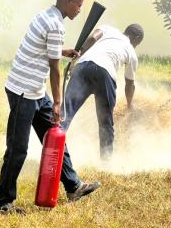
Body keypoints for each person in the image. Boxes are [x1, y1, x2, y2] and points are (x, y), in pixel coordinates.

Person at [0, 0, 101, 214]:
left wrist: (64, 51)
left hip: (35, 91)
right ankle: (3, 201)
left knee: (55, 138)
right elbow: (55, 69)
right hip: (23, 91)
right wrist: (58, 102)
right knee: (17, 148)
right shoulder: (55, 25)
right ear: (67, 2)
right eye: (78, 5)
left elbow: (46, 48)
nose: (80, 10)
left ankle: (74, 187)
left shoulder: (48, 16)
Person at [62, 23, 144, 160]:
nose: (136, 46)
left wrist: (74, 60)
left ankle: (52, 150)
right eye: (138, 43)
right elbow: (129, 84)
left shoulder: (109, 28)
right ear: (136, 38)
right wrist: (130, 104)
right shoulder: (131, 51)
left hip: (83, 66)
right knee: (105, 122)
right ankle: (106, 162)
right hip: (105, 73)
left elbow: (92, 39)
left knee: (65, 112)